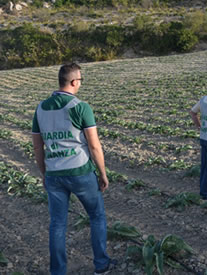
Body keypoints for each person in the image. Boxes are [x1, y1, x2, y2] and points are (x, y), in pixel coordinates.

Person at [31, 63, 116, 275]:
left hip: (54, 175)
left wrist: (44, 173)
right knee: (96, 216)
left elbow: (37, 147)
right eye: (80, 80)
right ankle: (101, 265)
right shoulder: (80, 107)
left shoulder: (40, 108)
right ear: (73, 82)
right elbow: (94, 145)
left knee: (57, 224)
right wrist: (103, 173)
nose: (80, 84)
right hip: (80, 172)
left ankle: (58, 272)